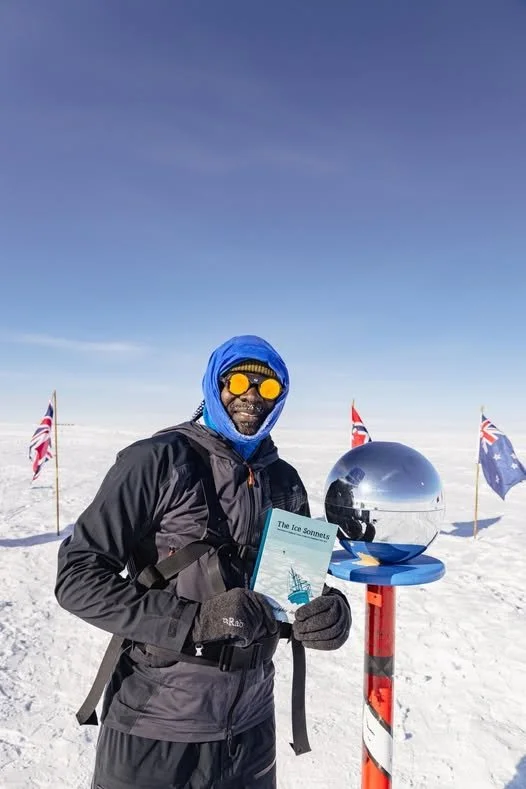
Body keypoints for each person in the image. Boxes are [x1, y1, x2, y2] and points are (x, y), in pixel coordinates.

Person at [55, 334, 351, 789]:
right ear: (214, 385)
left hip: (249, 732)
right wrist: (193, 621)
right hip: (155, 726)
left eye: (268, 388)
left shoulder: (284, 480)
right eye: (237, 381)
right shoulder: (156, 461)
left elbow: (293, 585)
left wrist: (325, 610)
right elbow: (77, 577)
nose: (252, 396)